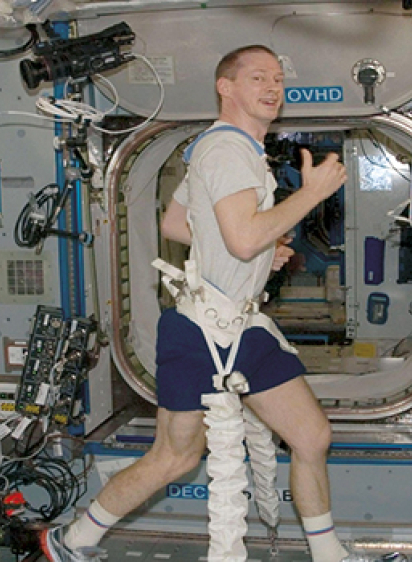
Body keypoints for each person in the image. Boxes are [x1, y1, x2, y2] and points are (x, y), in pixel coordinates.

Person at [40, 44, 359, 562]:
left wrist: (261, 252)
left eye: (278, 78)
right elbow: (240, 238)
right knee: (174, 457)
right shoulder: (227, 150)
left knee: (311, 435)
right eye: (257, 77)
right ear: (225, 87)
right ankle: (70, 540)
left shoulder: (223, 148)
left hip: (241, 324)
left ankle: (331, 557)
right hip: (203, 331)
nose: (272, 87)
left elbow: (176, 224)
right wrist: (311, 195)